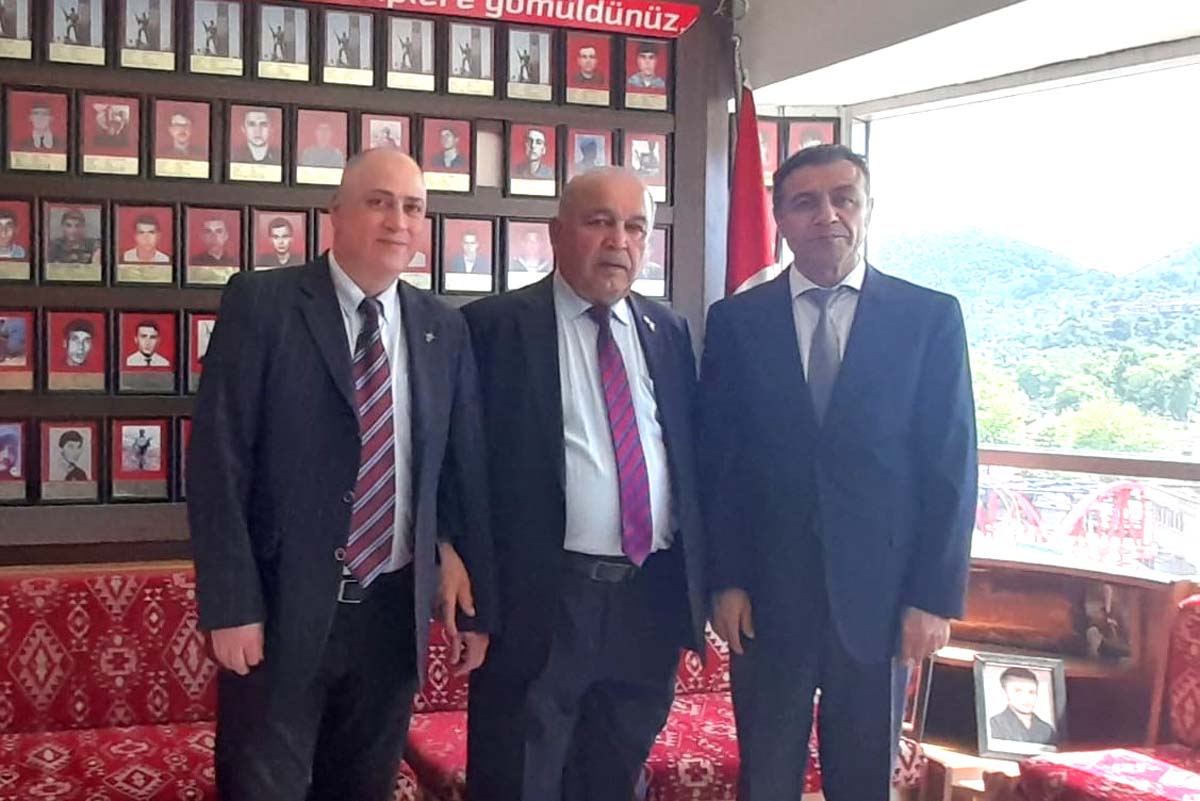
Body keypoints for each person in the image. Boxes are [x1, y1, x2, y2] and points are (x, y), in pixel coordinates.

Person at [187, 148, 495, 801]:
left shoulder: (443, 327)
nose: (398, 221)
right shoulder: (263, 303)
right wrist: (230, 604)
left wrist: (451, 553)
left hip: (390, 615)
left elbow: (453, 468)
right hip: (279, 614)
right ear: (336, 213)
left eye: (413, 207)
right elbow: (218, 461)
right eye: (379, 202)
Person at [699, 144, 977, 801]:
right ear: (780, 219)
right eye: (805, 202)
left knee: (862, 780)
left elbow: (951, 463)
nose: (827, 215)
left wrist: (934, 595)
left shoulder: (928, 318)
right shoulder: (736, 322)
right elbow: (720, 464)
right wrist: (726, 579)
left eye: (843, 198)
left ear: (867, 209)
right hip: (767, 599)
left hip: (881, 603)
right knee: (766, 777)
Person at [463, 167, 707, 801]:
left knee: (612, 779)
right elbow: (460, 472)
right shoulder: (491, 328)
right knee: (518, 779)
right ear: (556, 233)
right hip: (541, 603)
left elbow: (687, 461)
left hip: (647, 601)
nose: (618, 241)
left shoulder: (667, 331)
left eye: (635, 227)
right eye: (599, 222)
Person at [989, 667, 1056, 744]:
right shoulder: (994, 724)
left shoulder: (1047, 730)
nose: (1026, 698)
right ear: (1004, 693)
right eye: (1018, 691)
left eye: (1031, 692)